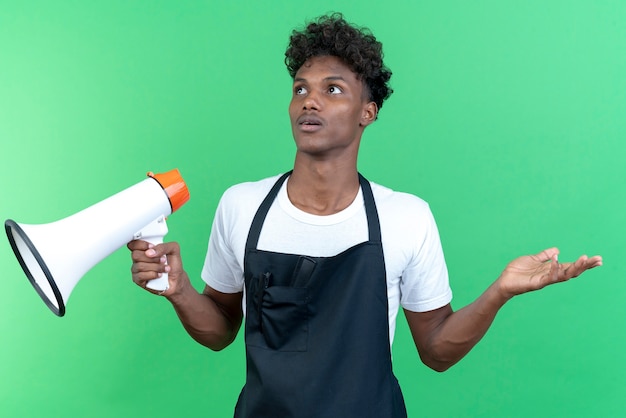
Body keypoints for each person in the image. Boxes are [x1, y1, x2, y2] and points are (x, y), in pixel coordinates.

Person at [128, 13, 602, 418]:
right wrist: (181, 291)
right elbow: (219, 331)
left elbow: (436, 349)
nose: (309, 101)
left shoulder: (406, 217)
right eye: (300, 89)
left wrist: (499, 293)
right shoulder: (242, 206)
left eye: (332, 89)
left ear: (367, 112)